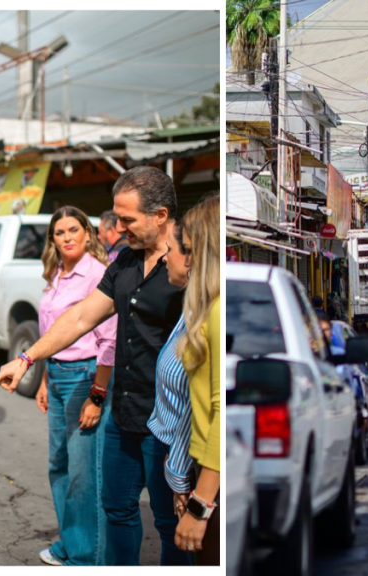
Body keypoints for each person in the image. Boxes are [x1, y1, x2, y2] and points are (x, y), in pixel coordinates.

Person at [0, 166, 190, 566]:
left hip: (168, 421)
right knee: (117, 509)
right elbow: (81, 318)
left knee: (168, 524)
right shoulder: (125, 261)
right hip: (124, 416)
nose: (118, 227)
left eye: (127, 219)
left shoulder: (187, 265)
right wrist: (27, 359)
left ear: (160, 215)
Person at [19, 208, 115, 566]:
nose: (68, 237)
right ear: (52, 240)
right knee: (58, 465)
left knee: (82, 473)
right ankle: (71, 542)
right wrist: (44, 379)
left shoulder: (98, 275)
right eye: (60, 232)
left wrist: (97, 394)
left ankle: (87, 556)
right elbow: (50, 335)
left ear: (88, 234)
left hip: (85, 376)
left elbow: (109, 341)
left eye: (74, 229)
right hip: (57, 376)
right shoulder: (55, 273)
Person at [166, 196, 219, 564]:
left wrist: (201, 504)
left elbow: (221, 413)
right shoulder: (203, 310)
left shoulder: (216, 313)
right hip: (202, 471)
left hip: (214, 483)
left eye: (183, 248)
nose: (175, 257)